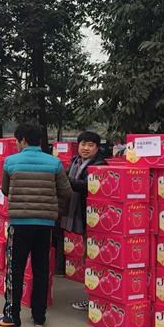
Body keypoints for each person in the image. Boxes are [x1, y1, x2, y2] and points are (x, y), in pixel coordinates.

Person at [0, 124, 72, 327]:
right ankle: (39, 316)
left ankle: (12, 317)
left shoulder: (11, 161)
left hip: (20, 224)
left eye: (17, 141)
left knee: (15, 270)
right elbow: (66, 192)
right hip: (45, 225)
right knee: (41, 270)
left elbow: (5, 190)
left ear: (23, 140)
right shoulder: (54, 162)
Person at [60, 131, 108, 311]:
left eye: (90, 145)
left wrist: (65, 180)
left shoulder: (100, 165)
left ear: (97, 147)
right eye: (83, 144)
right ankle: (93, 297)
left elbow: (89, 186)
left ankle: (94, 299)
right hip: (84, 217)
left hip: (96, 219)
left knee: (93, 258)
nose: (85, 148)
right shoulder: (75, 162)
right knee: (88, 257)